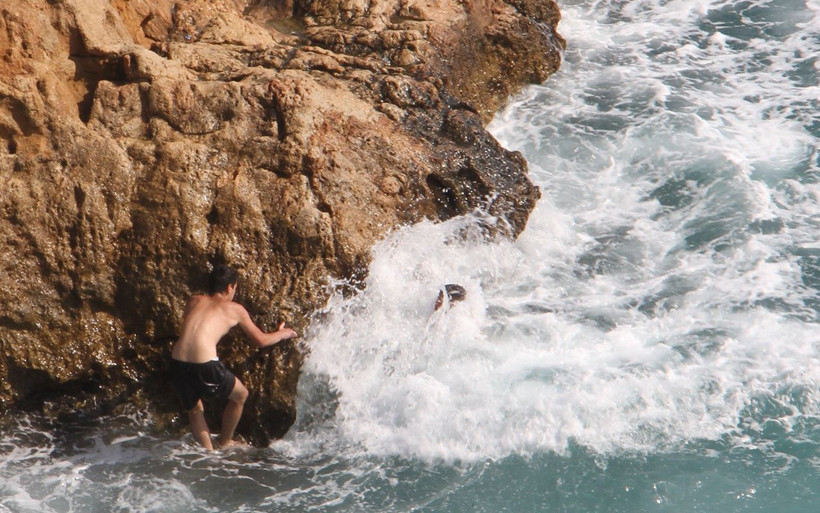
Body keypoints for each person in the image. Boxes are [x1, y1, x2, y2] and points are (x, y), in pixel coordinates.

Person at [170, 264, 297, 450]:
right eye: (235, 289)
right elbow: (260, 340)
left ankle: (208, 455)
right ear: (230, 287)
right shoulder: (234, 309)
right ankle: (225, 441)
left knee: (195, 410)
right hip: (204, 364)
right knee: (240, 395)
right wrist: (283, 333)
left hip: (177, 362)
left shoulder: (194, 300)